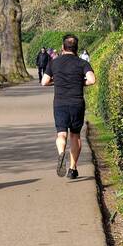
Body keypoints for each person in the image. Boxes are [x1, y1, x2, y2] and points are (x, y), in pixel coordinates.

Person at [41, 34, 96, 179]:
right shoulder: (82, 63)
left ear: (62, 47)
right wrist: (79, 82)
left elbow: (44, 82)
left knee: (61, 134)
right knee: (75, 135)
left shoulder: (54, 62)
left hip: (60, 103)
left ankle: (61, 152)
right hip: (77, 103)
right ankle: (72, 169)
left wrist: (56, 81)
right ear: (76, 48)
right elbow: (91, 80)